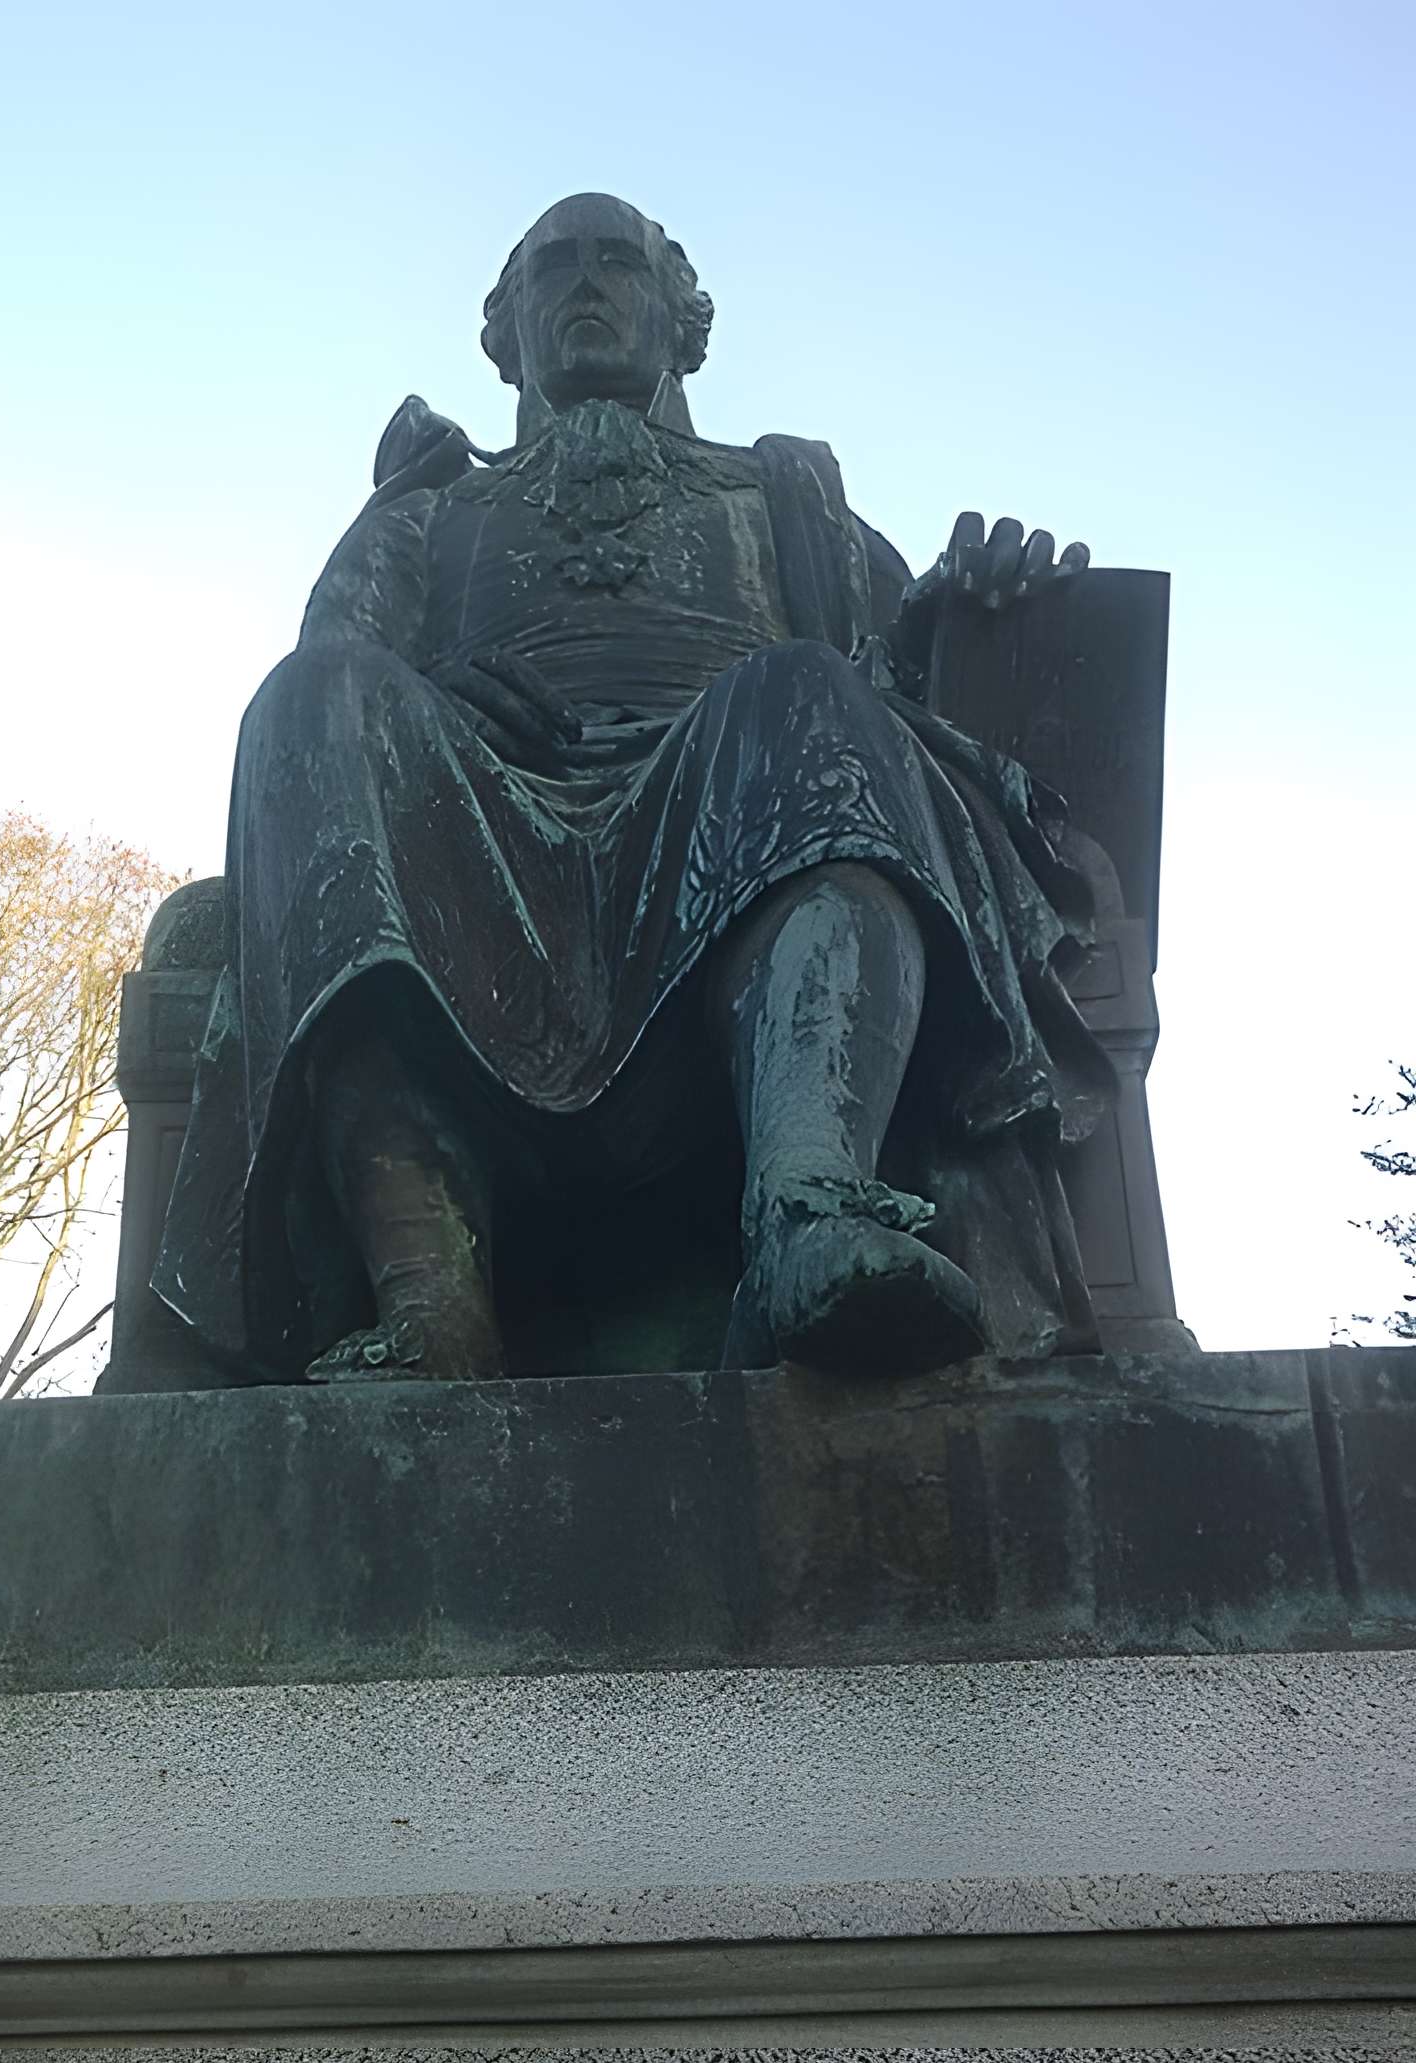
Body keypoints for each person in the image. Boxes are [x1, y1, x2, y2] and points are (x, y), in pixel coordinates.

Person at [154, 192, 1110, 1385]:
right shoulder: (432, 514)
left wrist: (979, 597)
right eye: (556, 267)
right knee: (305, 705)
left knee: (805, 694)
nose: (588, 285)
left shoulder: (784, 499)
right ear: (505, 330)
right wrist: (430, 698)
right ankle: (430, 1293)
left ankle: (811, 1209)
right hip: (481, 848)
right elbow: (333, 681)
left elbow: (905, 691)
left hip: (740, 835)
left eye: (620, 263)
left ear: (681, 322)